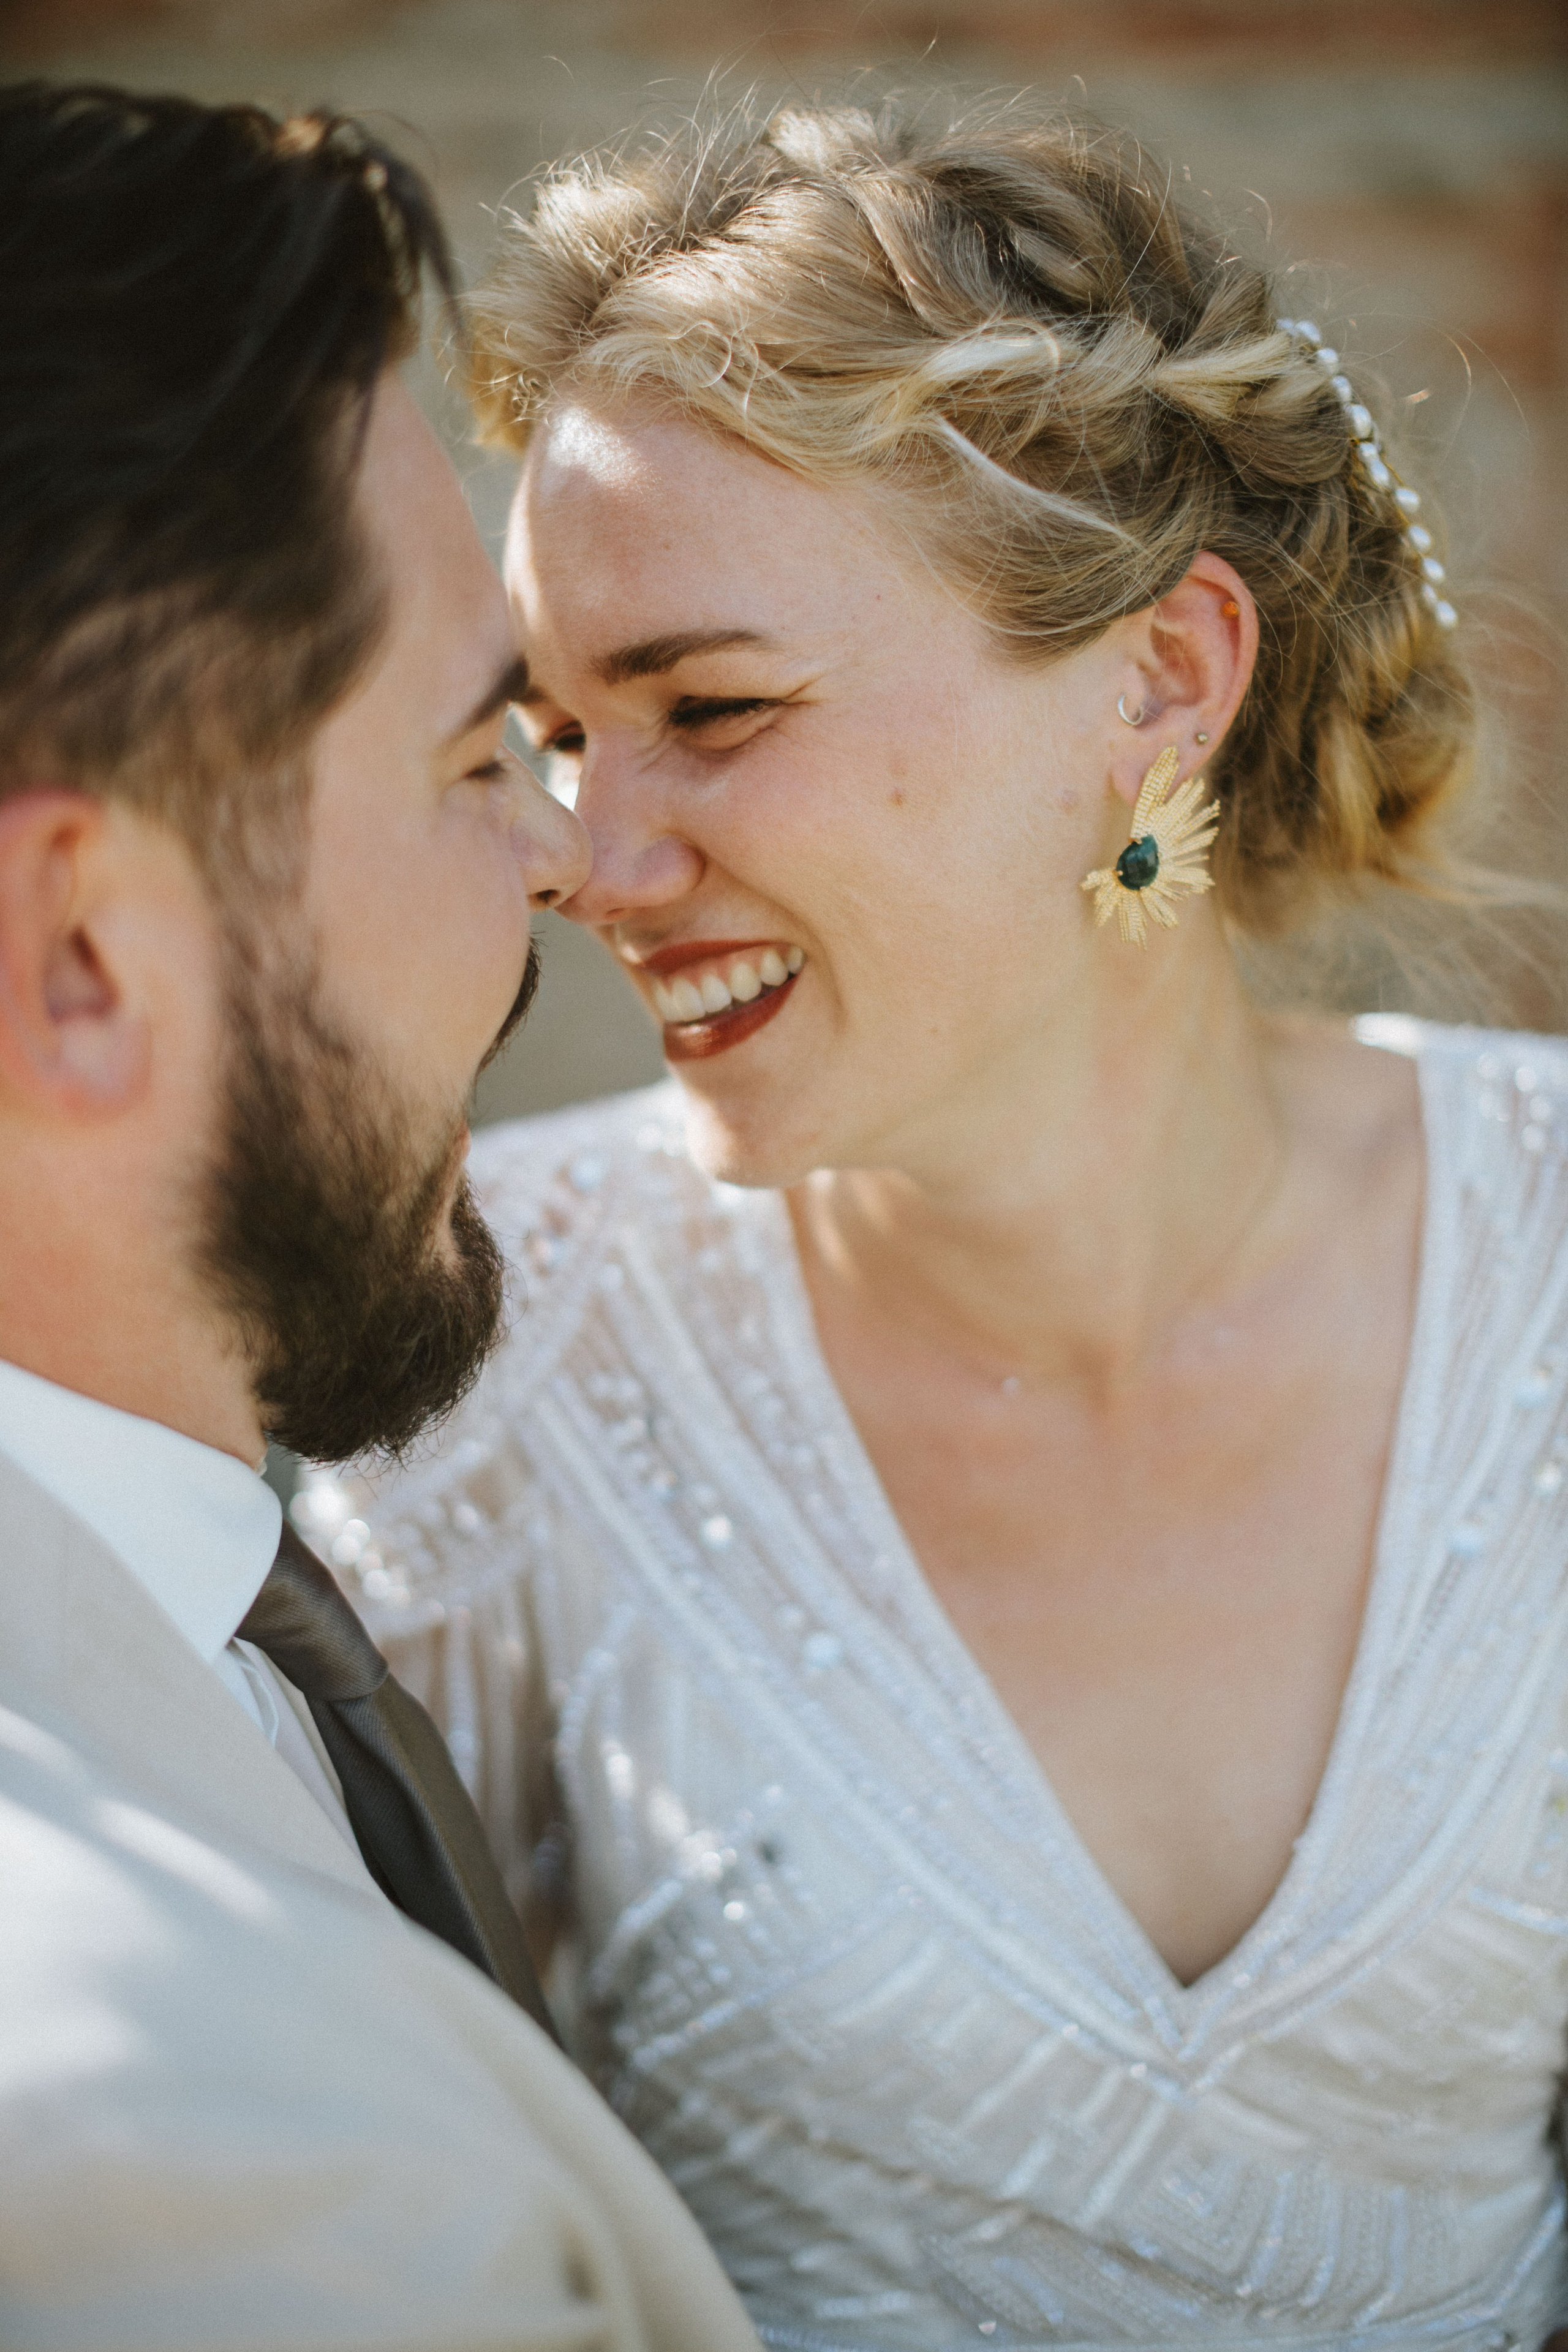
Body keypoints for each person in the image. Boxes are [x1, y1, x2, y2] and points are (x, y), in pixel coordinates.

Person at [312, 96, 1568, 2346]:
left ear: (1161, 681)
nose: (591, 862)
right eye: (559, 736)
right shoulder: (485, 1355)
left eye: (711, 708)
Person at [0, 81, 763, 2352]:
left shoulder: (200, 1618)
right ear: (74, 957)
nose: (567, 857)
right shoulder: (203, 2174)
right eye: (468, 757)